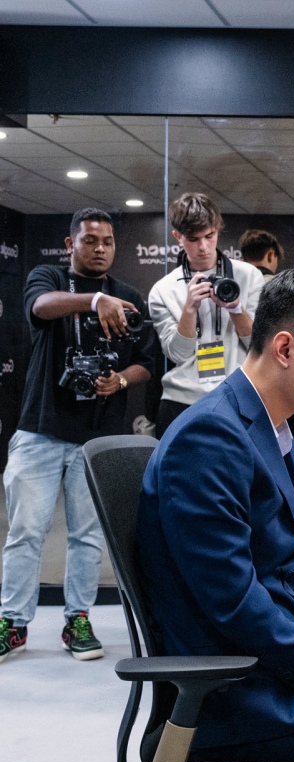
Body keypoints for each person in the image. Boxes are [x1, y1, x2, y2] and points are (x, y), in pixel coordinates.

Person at [138, 267, 294, 762]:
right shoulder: (210, 440)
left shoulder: (271, 427)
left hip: (279, 675)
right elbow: (234, 602)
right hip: (241, 699)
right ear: (286, 349)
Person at [1, 208, 158, 665]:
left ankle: (79, 620)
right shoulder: (48, 277)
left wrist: (121, 381)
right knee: (25, 530)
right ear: (71, 245)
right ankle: (13, 622)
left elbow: (147, 361)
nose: (100, 248)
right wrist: (92, 302)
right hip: (40, 430)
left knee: (87, 534)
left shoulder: (128, 297)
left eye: (107, 241)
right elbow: (39, 307)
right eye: (90, 241)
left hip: (97, 438)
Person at [149, 192, 264, 436]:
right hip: (181, 401)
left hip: (236, 397)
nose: (203, 247)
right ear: (177, 236)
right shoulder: (162, 290)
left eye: (209, 236)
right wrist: (189, 309)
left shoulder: (249, 276)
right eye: (193, 238)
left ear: (218, 231)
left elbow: (258, 345)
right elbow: (179, 355)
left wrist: (235, 309)